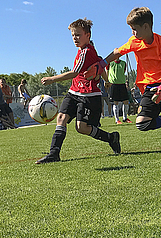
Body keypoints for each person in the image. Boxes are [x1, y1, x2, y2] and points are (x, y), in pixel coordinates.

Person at [101, 7, 161, 153]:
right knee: (142, 125)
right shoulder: (134, 42)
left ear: (146, 26)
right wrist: (102, 64)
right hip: (148, 89)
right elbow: (116, 52)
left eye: (134, 29)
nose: (132, 32)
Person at [37, 18, 121, 163]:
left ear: (87, 35)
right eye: (73, 36)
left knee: (82, 128)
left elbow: (74, 72)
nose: (75, 38)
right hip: (74, 92)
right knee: (61, 118)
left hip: (89, 95)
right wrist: (105, 79)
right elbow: (99, 65)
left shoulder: (87, 52)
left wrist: (52, 79)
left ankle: (111, 138)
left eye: (78, 35)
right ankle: (54, 153)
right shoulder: (84, 49)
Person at [108, 59, 131, 124]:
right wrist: (107, 82)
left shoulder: (123, 63)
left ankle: (125, 118)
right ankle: (117, 119)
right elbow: (107, 72)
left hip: (122, 84)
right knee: (115, 102)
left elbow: (123, 72)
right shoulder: (110, 63)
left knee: (126, 101)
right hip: (114, 84)